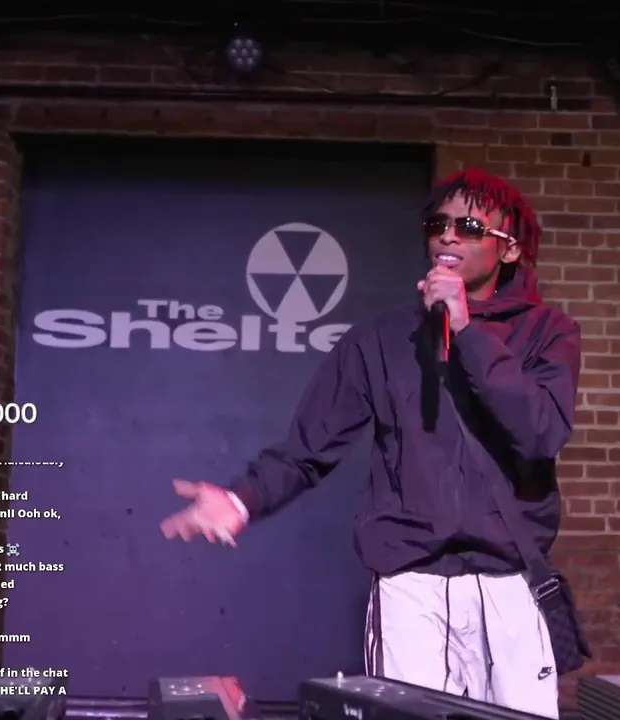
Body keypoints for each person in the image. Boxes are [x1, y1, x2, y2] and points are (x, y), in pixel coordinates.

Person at [160, 169, 584, 718]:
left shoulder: (548, 333)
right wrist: (242, 500)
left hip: (509, 584)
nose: (448, 235)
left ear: (509, 249)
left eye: (470, 227)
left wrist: (468, 332)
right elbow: (308, 448)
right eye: (438, 224)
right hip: (411, 586)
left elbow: (541, 431)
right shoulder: (380, 340)